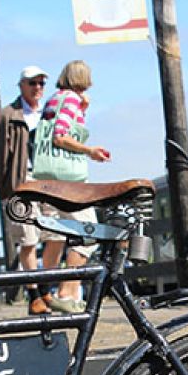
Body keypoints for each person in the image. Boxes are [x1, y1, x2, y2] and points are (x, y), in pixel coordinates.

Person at [28, 60, 111, 313]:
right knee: (89, 233)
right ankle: (66, 292)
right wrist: (90, 150)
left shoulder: (55, 98)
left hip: (52, 178)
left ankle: (69, 294)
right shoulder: (70, 99)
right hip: (68, 179)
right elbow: (61, 136)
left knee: (75, 233)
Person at [0, 66, 49, 311]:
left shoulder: (50, 113)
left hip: (49, 179)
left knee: (54, 236)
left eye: (41, 83)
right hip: (22, 180)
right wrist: (6, 188)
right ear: (21, 85)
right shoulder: (9, 115)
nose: (37, 88)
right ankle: (34, 293)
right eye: (32, 83)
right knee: (28, 239)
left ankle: (46, 290)